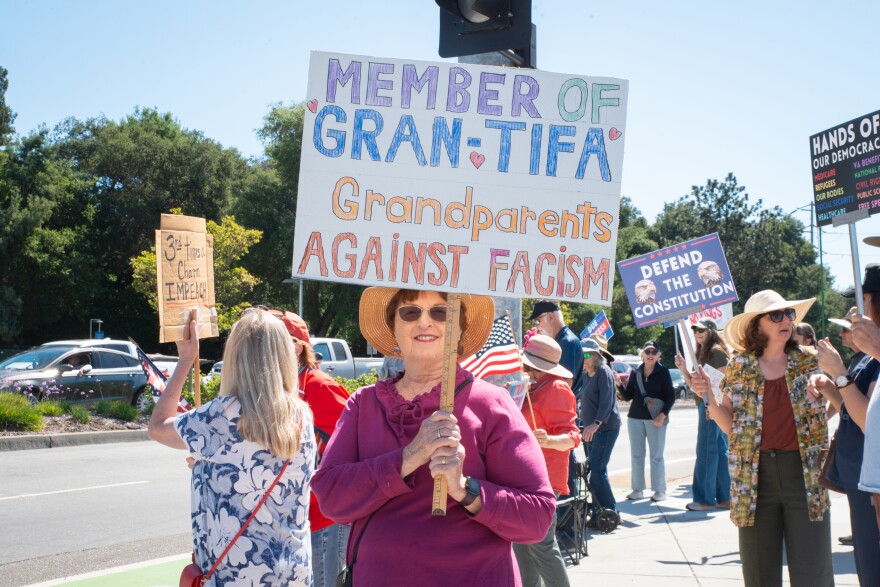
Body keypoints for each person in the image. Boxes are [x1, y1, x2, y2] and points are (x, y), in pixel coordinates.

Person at [312, 288, 555, 586]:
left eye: (440, 312)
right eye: (410, 312)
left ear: (460, 329)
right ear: (394, 328)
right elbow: (331, 498)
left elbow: (537, 517)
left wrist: (465, 489)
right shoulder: (364, 404)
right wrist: (409, 457)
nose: (424, 322)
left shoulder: (491, 405)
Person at [148, 312, 315, 586]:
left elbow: (158, 426)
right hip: (293, 571)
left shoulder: (222, 415)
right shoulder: (301, 415)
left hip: (237, 575)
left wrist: (186, 360)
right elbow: (266, 463)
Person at [691, 290, 833, 587]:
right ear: (757, 325)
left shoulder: (810, 362)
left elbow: (837, 405)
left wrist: (825, 397)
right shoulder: (740, 366)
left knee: (813, 570)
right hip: (753, 478)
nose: (786, 321)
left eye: (789, 314)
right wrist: (708, 398)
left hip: (805, 475)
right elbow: (730, 425)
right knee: (759, 573)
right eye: (777, 315)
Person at [808, 269, 880, 586]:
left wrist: (839, 373)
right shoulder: (866, 357)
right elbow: (852, 411)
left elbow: (869, 421)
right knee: (868, 564)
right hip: (859, 474)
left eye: (863, 300)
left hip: (872, 475)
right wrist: (829, 387)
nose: (857, 314)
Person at [280, 310, 352, 587]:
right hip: (292, 516)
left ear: (296, 347)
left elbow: (353, 444)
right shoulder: (281, 387)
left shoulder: (318, 386)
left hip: (323, 516)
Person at [513, 334, 579, 587]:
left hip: (544, 478)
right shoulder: (534, 387)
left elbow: (571, 436)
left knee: (541, 545)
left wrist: (548, 440)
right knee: (522, 543)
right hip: (524, 475)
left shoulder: (556, 387)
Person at [674, 318, 731, 511]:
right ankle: (725, 497)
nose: (698, 333)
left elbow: (724, 380)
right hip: (710, 405)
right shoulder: (703, 353)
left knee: (707, 450)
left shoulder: (715, 351)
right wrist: (683, 369)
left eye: (702, 330)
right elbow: (695, 386)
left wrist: (711, 405)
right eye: (696, 330)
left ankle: (705, 499)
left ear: (712, 332)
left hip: (710, 406)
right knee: (719, 451)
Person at [619, 340, 675, 502]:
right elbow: (628, 396)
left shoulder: (663, 372)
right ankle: (637, 490)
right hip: (635, 418)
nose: (650, 355)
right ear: (642, 354)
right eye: (647, 352)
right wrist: (619, 385)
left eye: (653, 352)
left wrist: (662, 415)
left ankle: (659, 490)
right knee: (637, 455)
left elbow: (670, 396)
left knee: (656, 456)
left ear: (658, 355)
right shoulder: (636, 372)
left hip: (655, 419)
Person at [579, 336, 622, 514]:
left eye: (588, 356)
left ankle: (610, 510)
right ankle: (599, 509)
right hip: (590, 428)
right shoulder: (585, 374)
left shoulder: (603, 371)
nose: (584, 359)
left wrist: (595, 424)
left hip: (605, 428)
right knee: (592, 470)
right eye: (583, 356)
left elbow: (607, 401)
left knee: (597, 469)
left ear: (596, 356)